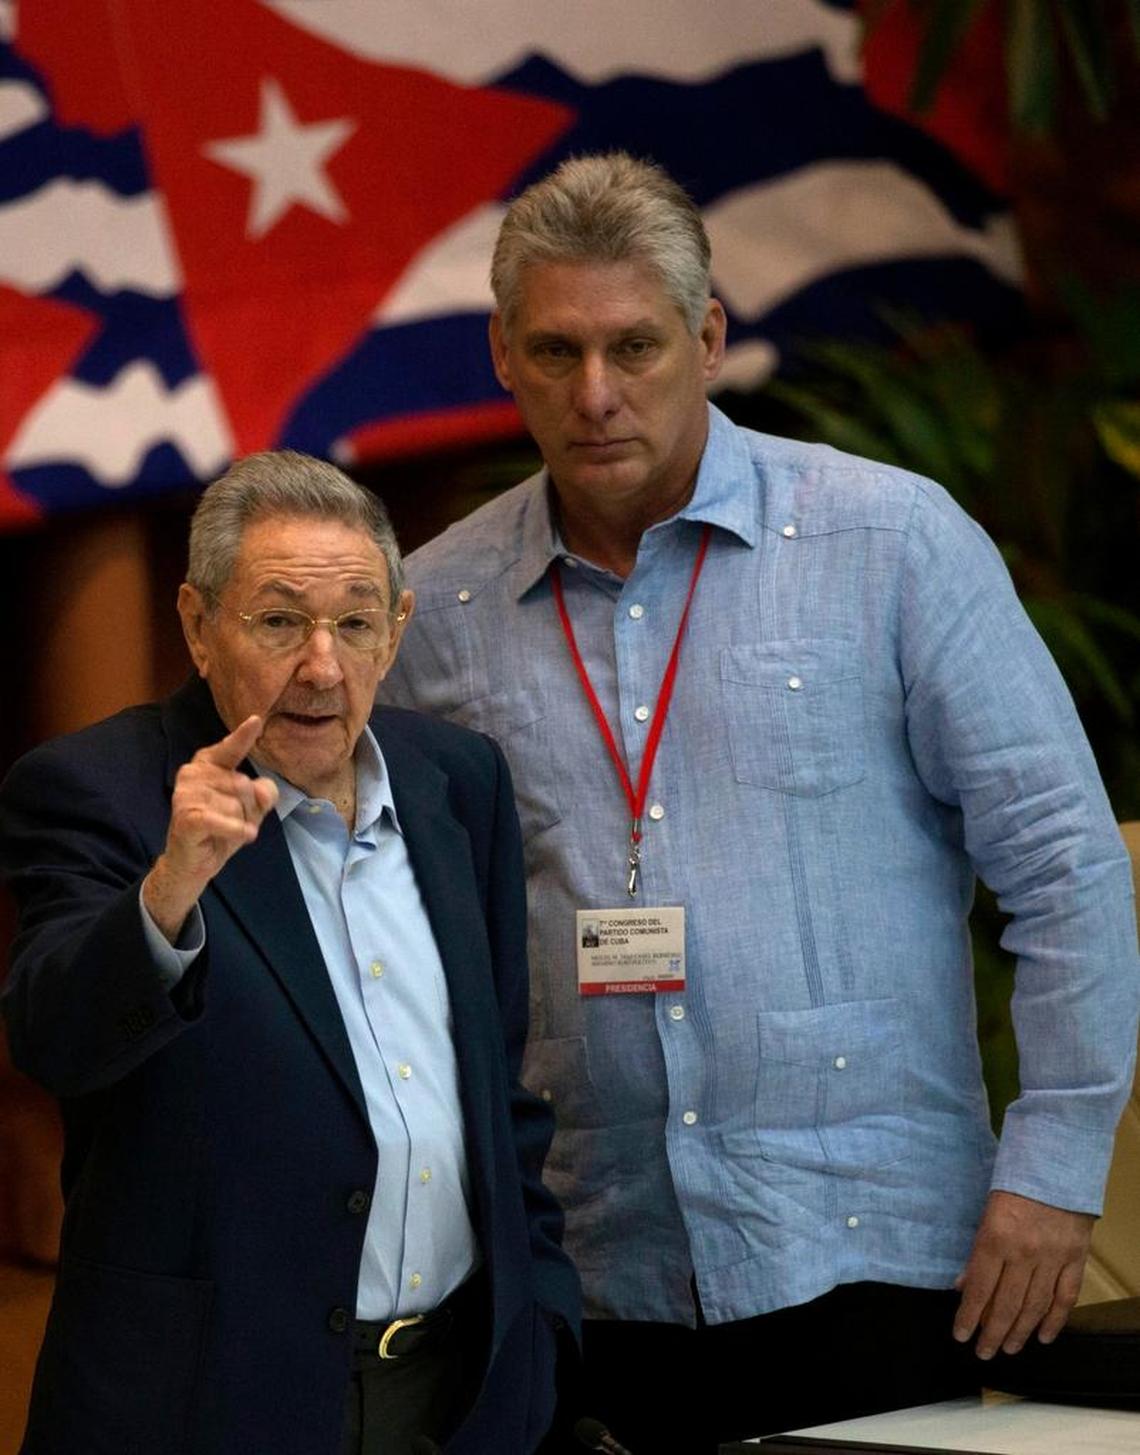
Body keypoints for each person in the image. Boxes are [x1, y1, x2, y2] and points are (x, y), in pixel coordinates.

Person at [378, 153, 1140, 1450]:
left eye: (636, 344)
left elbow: (1065, 862)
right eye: (556, 351)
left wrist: (1054, 1174)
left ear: (710, 336)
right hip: (588, 1261)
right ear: (502, 353)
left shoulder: (889, 543)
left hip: (875, 1244)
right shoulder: (432, 612)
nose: (597, 393)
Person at [0, 451, 580, 1455]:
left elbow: (498, 1090)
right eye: (278, 622)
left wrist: (539, 1326)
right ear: (198, 626)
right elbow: (54, 1041)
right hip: (213, 1404)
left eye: (354, 624)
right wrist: (170, 888)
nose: (322, 666)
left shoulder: (460, 783)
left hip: (454, 1396)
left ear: (396, 629)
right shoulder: (102, 791)